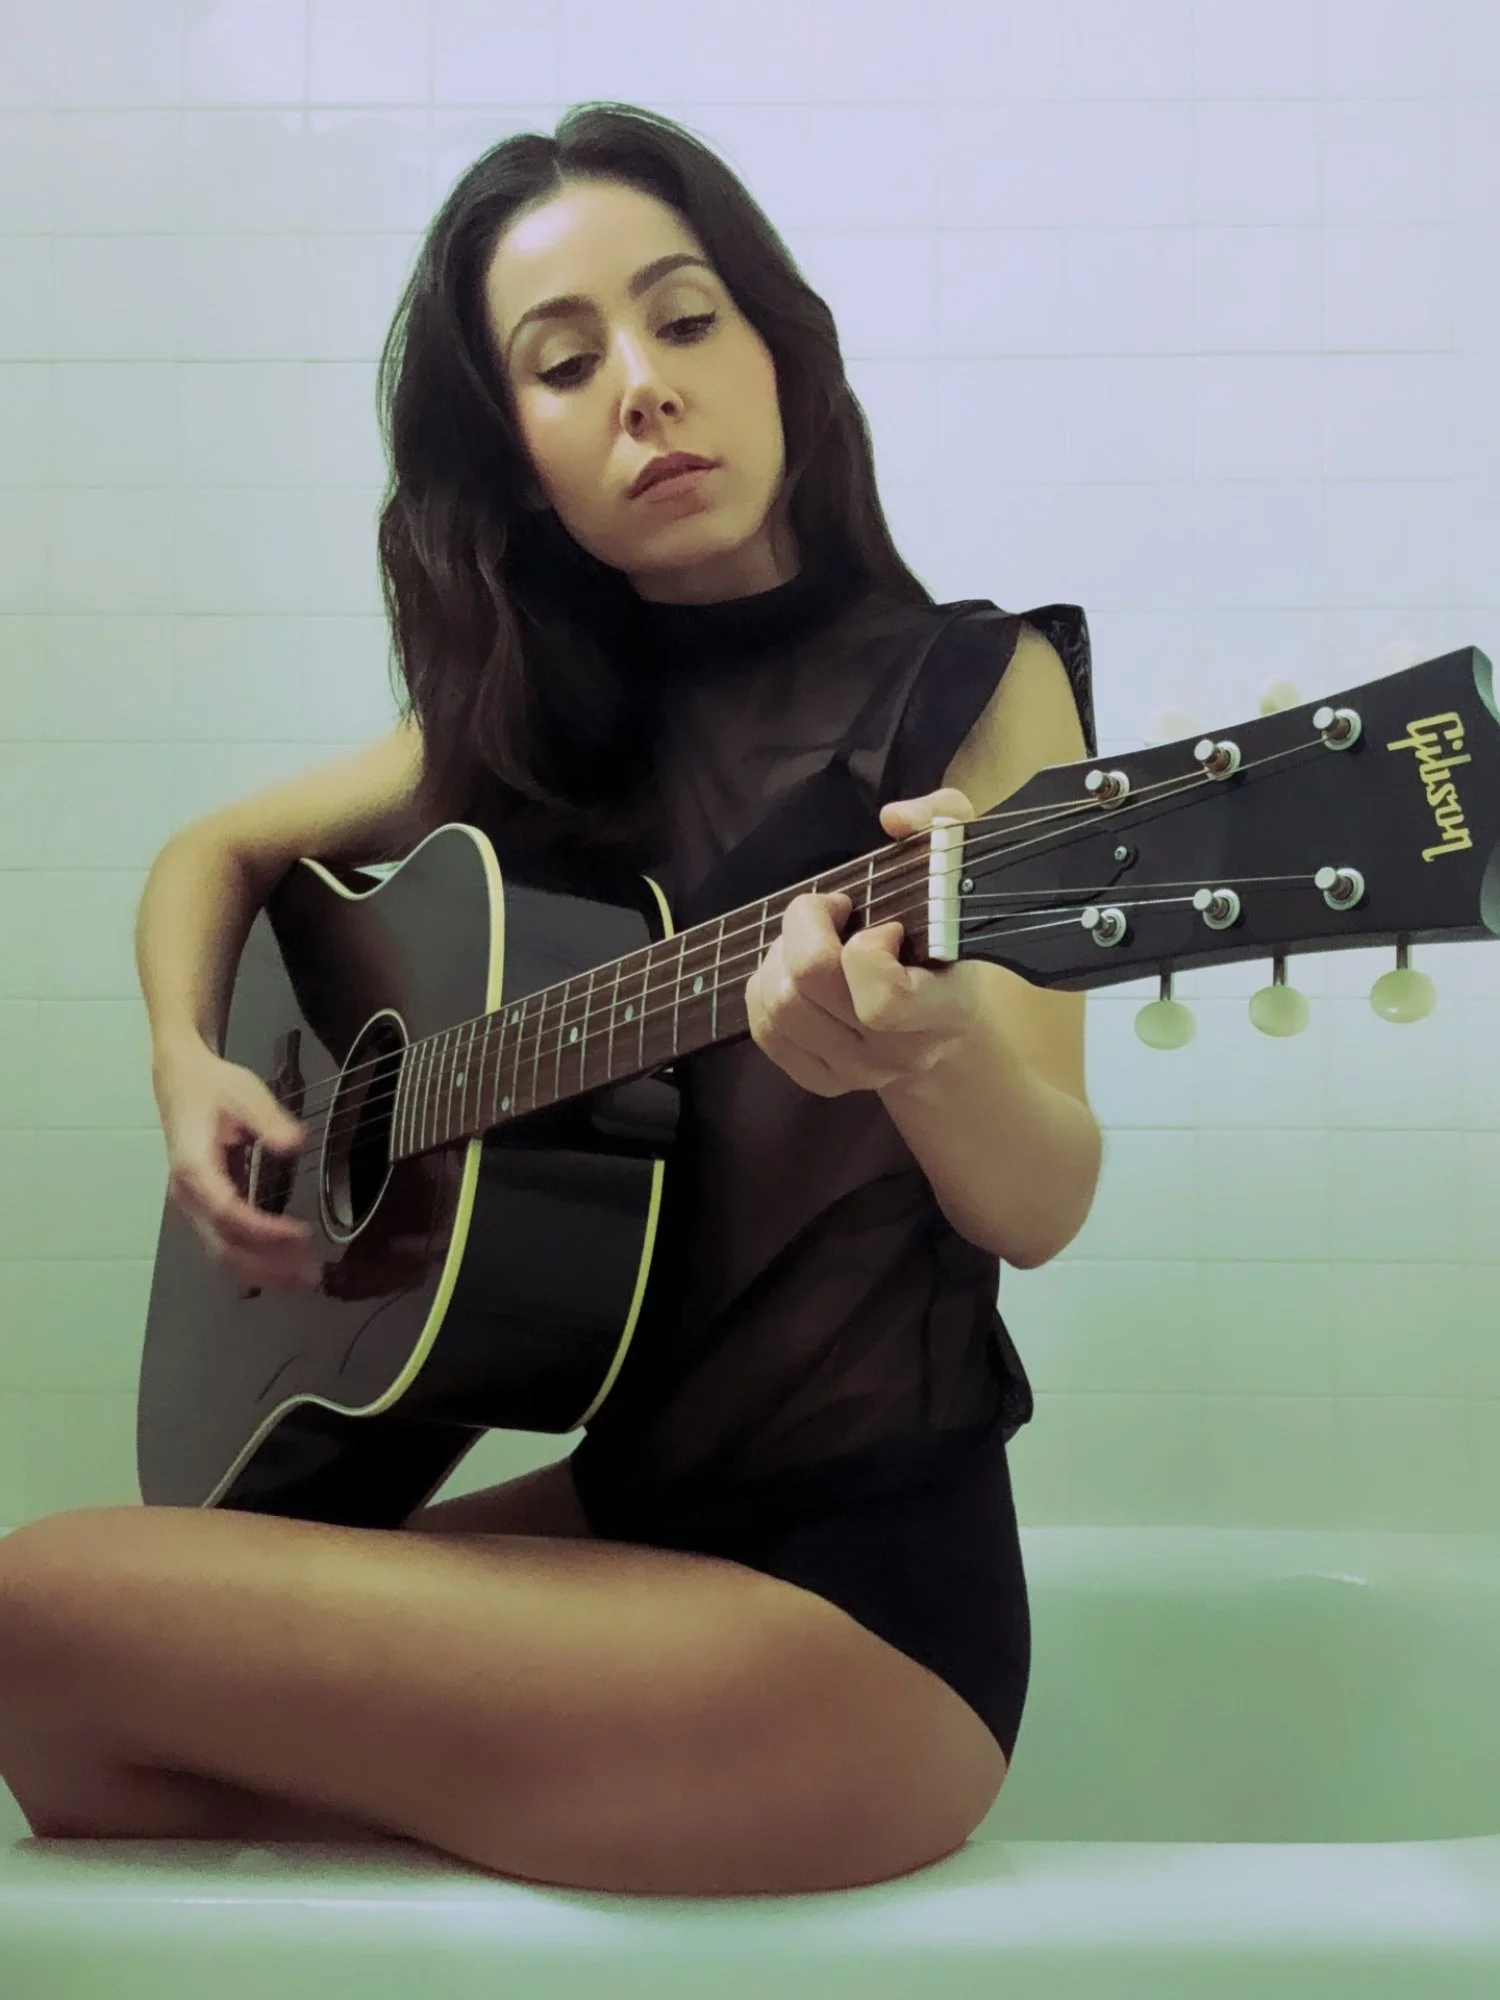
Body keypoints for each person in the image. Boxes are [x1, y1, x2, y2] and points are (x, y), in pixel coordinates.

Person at [0, 105, 1102, 1898]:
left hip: (855, 1621)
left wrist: (933, 1048)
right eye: (565, 362)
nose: (644, 390)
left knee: (37, 1606)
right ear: (517, 463)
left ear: (777, 350)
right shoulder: (524, 735)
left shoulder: (971, 692)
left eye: (686, 320)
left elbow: (1044, 1198)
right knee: (75, 1723)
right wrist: (186, 1063)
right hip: (633, 1527)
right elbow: (216, 855)